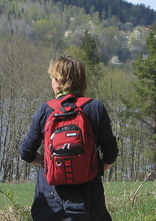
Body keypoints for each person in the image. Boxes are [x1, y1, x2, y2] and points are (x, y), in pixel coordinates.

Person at [20, 55, 118, 221]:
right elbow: (111, 152)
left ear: (58, 81)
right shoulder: (95, 108)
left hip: (51, 194)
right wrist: (95, 168)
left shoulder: (45, 110)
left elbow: (26, 153)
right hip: (89, 194)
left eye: (52, 78)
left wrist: (48, 161)